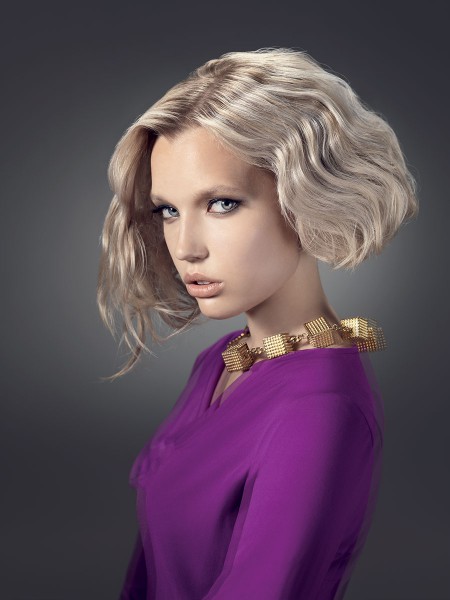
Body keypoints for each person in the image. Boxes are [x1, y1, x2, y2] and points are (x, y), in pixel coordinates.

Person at [97, 47, 418, 599]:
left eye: (221, 204)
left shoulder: (319, 409)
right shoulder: (223, 359)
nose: (186, 247)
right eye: (168, 210)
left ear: (306, 197)